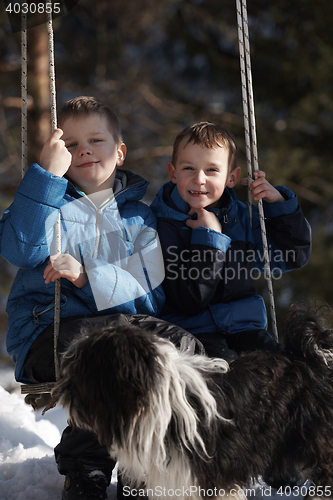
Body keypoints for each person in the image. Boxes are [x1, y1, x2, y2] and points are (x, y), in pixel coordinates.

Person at [0, 97, 202, 500]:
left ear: (120, 151)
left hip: (119, 331)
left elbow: (149, 290)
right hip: (48, 332)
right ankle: (87, 467)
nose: (84, 150)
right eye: (71, 145)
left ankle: (139, 465)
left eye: (96, 140)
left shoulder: (139, 219)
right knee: (108, 357)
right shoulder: (48, 202)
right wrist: (44, 177)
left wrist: (87, 275)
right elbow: (19, 248)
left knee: (180, 349)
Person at [150, 122, 311, 359]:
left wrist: (280, 207)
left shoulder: (243, 218)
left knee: (287, 369)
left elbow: (295, 255)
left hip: (245, 326)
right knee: (228, 373)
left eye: (212, 170)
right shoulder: (161, 226)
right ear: (173, 173)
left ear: (231, 178)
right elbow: (189, 301)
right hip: (190, 331)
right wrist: (209, 238)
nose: (200, 179)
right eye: (189, 169)